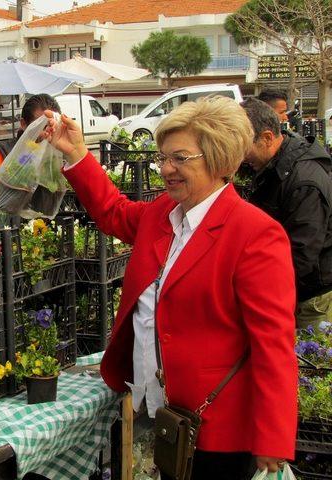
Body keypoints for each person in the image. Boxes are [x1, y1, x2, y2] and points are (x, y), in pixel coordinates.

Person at [44, 97, 297, 479]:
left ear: (218, 158)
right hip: (170, 413)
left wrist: (273, 439)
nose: (165, 168)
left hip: (221, 428)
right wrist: (77, 152)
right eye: (163, 157)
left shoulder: (255, 234)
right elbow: (113, 211)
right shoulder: (163, 214)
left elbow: (273, 345)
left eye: (180, 158)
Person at [242, 97, 332, 327]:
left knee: (305, 356)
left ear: (267, 138)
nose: (239, 155)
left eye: (243, 146)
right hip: (294, 288)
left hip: (312, 296)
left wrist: (262, 293)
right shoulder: (275, 164)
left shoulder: (304, 180)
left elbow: (301, 255)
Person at [0, 93, 61, 207]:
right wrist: (6, 176)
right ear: (23, 124)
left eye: (53, 127)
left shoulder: (58, 159)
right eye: (41, 126)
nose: (48, 132)